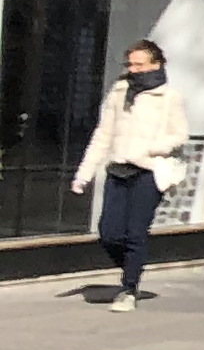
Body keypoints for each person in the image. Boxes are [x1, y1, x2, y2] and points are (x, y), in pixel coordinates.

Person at [71, 39, 190, 309]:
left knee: (136, 232)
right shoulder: (119, 91)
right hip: (118, 169)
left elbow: (180, 134)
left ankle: (128, 290)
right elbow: (103, 134)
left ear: (156, 65)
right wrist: (83, 175)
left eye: (139, 64)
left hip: (148, 171)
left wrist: (152, 148)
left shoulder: (169, 97)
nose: (133, 69)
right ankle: (132, 268)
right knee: (109, 233)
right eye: (130, 64)